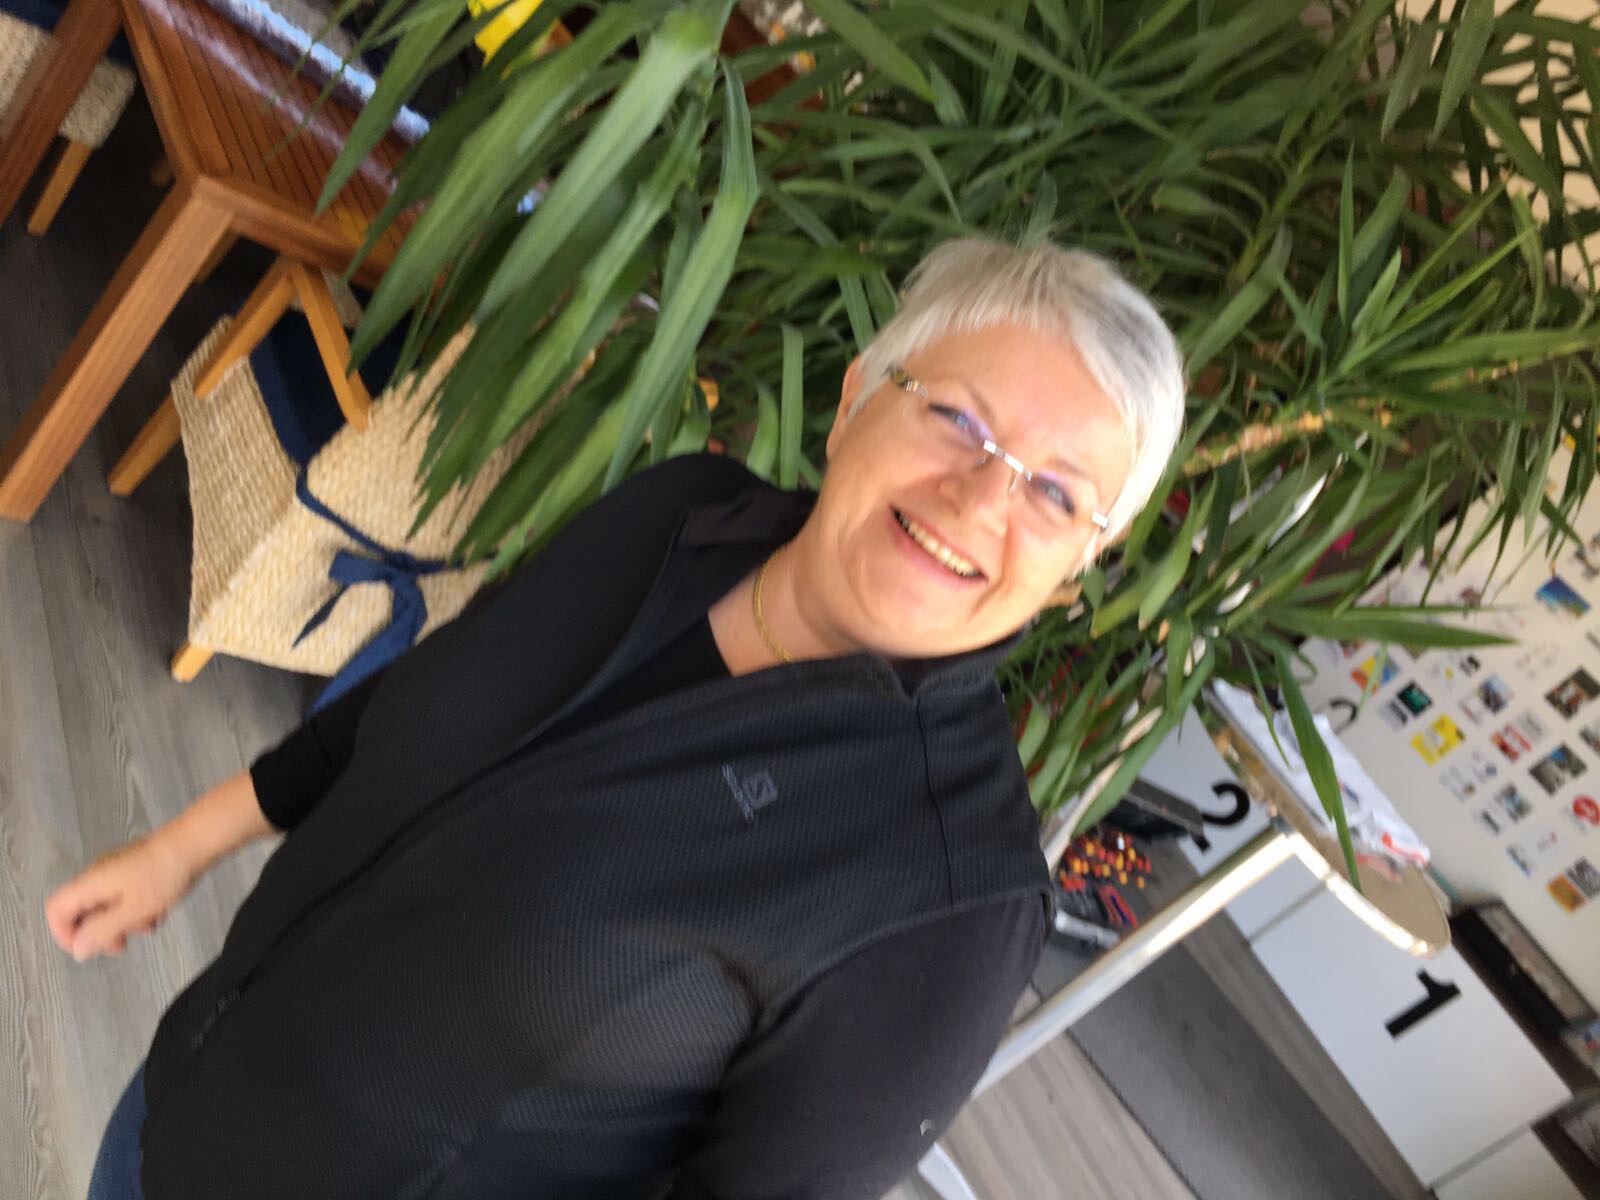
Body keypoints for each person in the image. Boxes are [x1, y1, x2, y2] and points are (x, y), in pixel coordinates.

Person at [47, 236, 1185, 1200]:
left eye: (1056, 493)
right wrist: (180, 846)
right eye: (959, 421)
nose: (981, 499)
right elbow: (419, 696)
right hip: (175, 1108)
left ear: (1077, 571)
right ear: (855, 400)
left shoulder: (946, 895)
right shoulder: (680, 509)